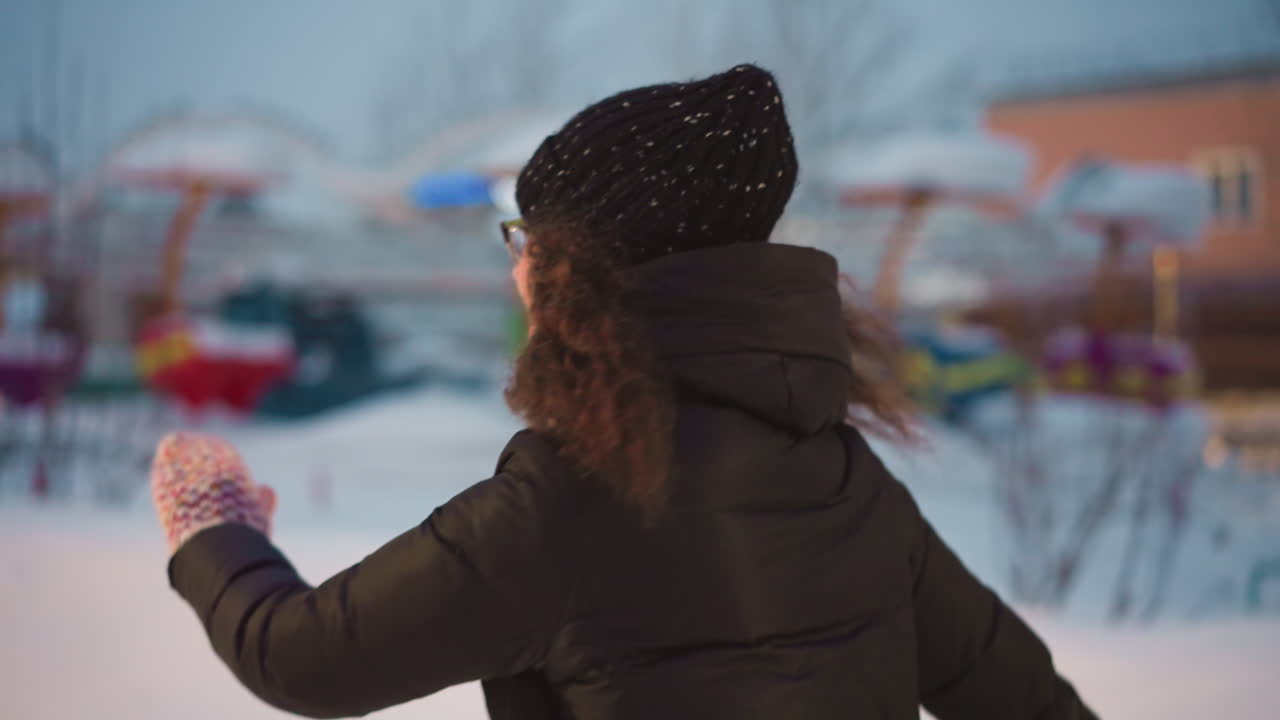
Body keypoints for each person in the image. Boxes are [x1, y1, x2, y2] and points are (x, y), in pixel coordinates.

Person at [152, 64, 1097, 719]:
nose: (518, 275)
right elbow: (1027, 702)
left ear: (587, 274)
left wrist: (212, 528)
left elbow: (307, 657)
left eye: (532, 244)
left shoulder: (566, 506)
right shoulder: (849, 482)